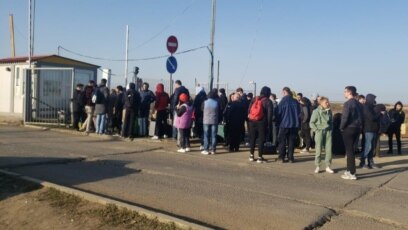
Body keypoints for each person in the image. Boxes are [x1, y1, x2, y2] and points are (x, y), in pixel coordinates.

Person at [340, 86, 363, 180]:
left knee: (349, 151)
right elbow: (362, 118)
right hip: (357, 128)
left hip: (349, 128)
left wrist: (341, 127)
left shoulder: (348, 103)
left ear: (349, 92)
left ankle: (352, 173)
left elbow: (345, 117)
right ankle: (349, 170)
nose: (344, 93)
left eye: (345, 91)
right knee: (351, 150)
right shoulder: (359, 104)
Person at [247, 86, 273, 163]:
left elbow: (249, 110)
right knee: (261, 140)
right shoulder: (268, 101)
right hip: (262, 123)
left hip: (252, 122)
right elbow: (269, 115)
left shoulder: (254, 99)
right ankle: (259, 157)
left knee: (252, 139)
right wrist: (268, 125)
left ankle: (251, 155)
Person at [310, 97, 334, 174]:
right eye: (326, 102)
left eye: (328, 102)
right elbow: (311, 122)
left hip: (328, 132)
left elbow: (331, 121)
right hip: (319, 131)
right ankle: (317, 166)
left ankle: (328, 166)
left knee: (329, 150)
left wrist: (331, 129)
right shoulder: (316, 111)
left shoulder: (329, 111)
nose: (328, 103)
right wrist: (316, 130)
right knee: (318, 150)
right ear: (321, 103)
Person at [276, 87, 300, 163]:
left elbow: (278, 113)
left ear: (284, 92)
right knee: (291, 141)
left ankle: (281, 157)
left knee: (282, 141)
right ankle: (290, 158)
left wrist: (277, 122)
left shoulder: (283, 101)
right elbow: (299, 113)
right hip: (294, 124)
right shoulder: (295, 102)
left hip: (284, 124)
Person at [360, 94, 381, 169]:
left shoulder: (372, 107)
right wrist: (379, 113)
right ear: (370, 99)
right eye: (373, 99)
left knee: (372, 148)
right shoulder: (365, 107)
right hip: (368, 130)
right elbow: (372, 117)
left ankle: (370, 162)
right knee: (368, 147)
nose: (374, 101)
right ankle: (362, 162)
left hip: (374, 129)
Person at [202, 89, 221, 155]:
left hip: (206, 120)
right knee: (214, 136)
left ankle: (206, 149)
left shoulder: (204, 102)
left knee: (206, 135)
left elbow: (201, 109)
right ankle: (213, 150)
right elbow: (220, 111)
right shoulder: (217, 103)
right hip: (214, 120)